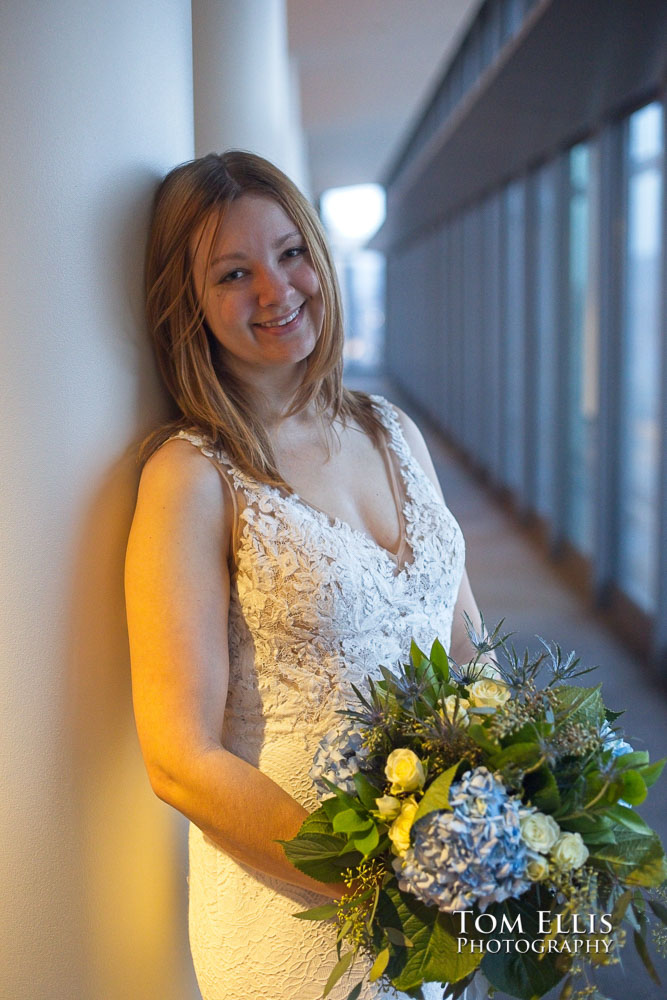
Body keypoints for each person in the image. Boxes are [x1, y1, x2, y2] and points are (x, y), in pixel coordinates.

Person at [125, 150, 484, 1000]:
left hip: (446, 883)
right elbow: (179, 759)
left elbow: (466, 639)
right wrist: (377, 888)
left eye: (290, 253)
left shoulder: (392, 428)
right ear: (188, 305)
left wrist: (514, 800)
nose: (276, 290)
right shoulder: (191, 477)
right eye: (232, 273)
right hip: (298, 922)